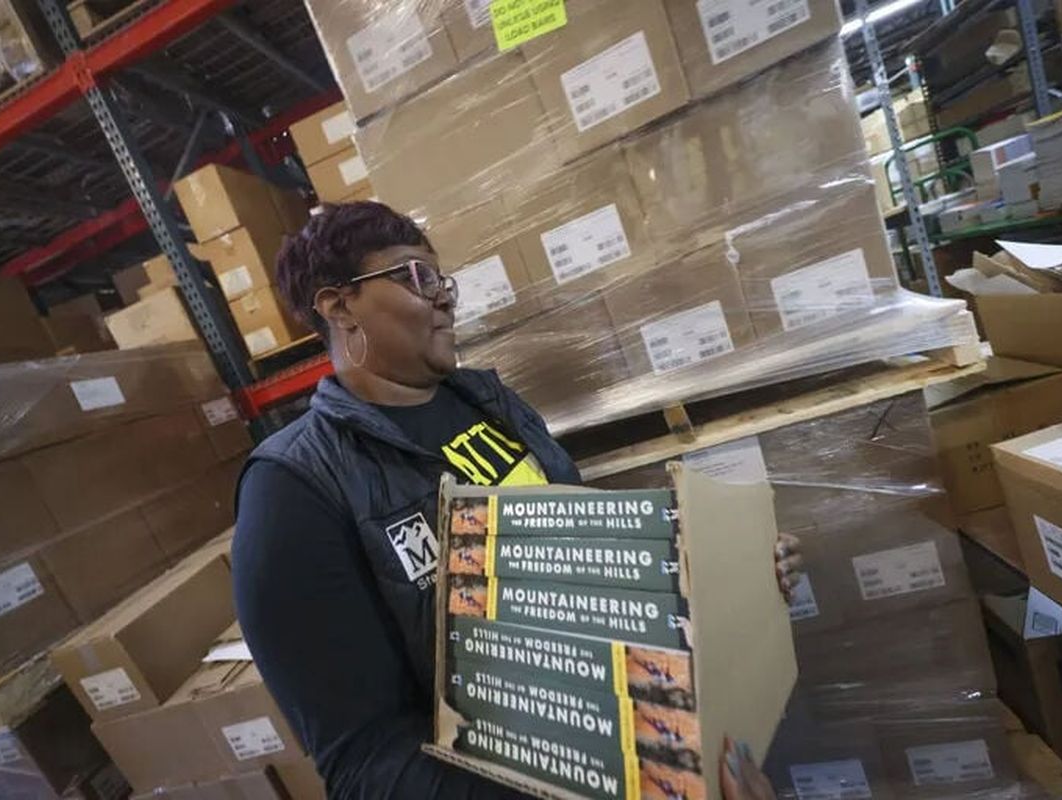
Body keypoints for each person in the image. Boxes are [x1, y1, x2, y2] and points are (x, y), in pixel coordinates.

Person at [232, 202, 802, 800]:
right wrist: (604, 785)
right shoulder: (294, 489)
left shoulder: (491, 403)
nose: (444, 298)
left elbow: (592, 567)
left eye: (441, 279)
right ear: (339, 305)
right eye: (414, 278)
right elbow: (366, 763)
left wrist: (724, 578)